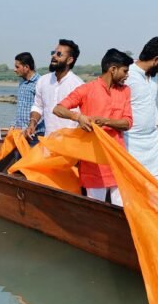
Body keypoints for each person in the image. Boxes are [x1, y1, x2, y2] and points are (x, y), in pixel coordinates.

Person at [53, 49, 133, 205]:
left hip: (117, 159)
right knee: (95, 207)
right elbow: (58, 109)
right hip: (93, 162)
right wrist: (78, 117)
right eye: (125, 71)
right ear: (113, 69)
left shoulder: (125, 91)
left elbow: (128, 123)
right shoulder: (86, 89)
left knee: (122, 208)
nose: (127, 75)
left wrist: (105, 121)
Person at [125, 36, 158, 185]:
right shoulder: (127, 74)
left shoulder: (153, 77)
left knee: (157, 185)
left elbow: (151, 105)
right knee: (132, 184)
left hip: (152, 143)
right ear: (156, 60)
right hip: (130, 142)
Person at [26, 39, 85, 139]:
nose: (54, 56)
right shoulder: (43, 81)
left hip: (69, 142)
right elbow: (38, 106)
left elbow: (83, 116)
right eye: (53, 52)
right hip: (47, 141)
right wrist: (32, 123)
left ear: (69, 60)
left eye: (59, 54)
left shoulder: (78, 85)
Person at [13, 52, 44, 143]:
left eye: (17, 67)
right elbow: (20, 107)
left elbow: (43, 109)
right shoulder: (22, 82)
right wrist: (13, 125)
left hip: (35, 134)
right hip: (21, 132)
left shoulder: (40, 82)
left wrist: (31, 127)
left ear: (26, 67)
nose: (15, 70)